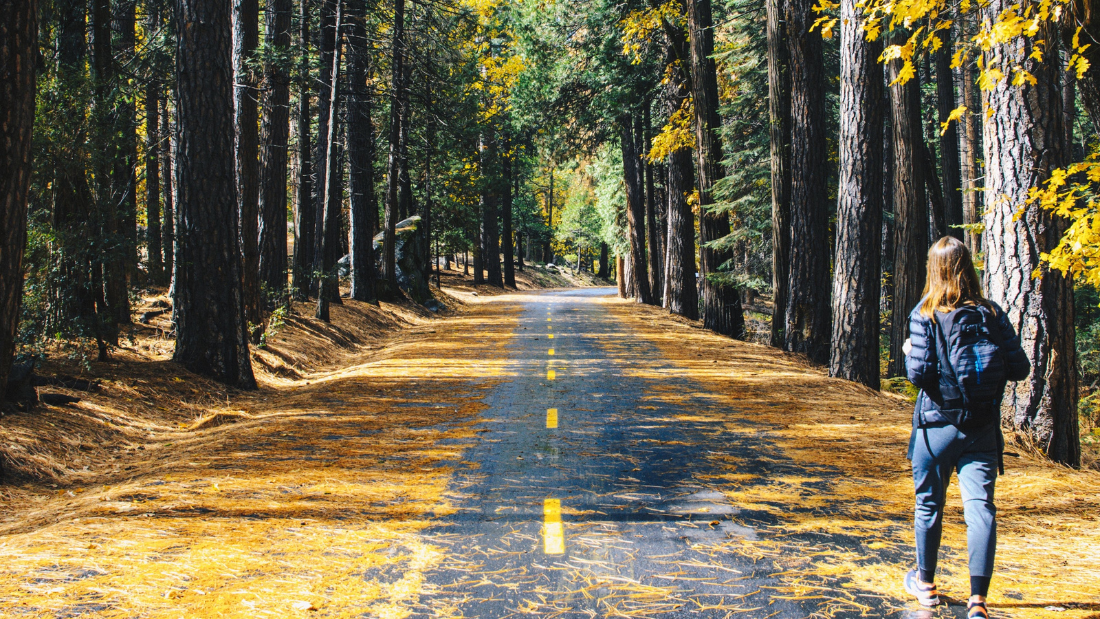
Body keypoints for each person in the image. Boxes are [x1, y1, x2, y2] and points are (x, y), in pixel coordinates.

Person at [902, 236, 1030, 618]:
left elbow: (918, 374)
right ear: (967, 267)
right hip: (982, 430)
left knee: (929, 504)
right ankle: (978, 601)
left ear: (934, 269)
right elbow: (1021, 368)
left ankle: (925, 586)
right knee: (981, 509)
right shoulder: (992, 313)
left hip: (936, 428)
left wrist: (911, 351)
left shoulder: (925, 312)